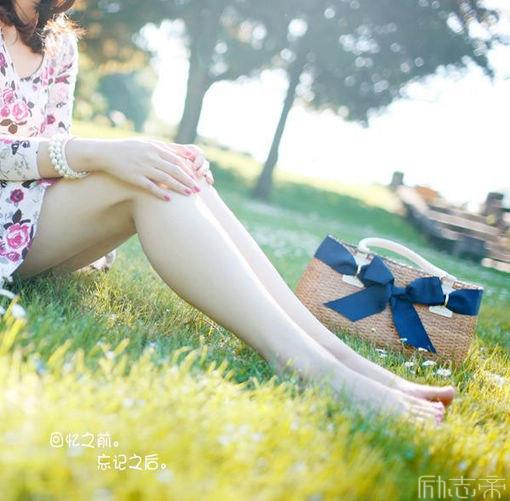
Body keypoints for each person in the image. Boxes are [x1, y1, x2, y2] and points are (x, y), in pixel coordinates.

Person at [0, 0, 453, 424]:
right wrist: (103, 153)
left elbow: (53, 144)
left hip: (31, 212)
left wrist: (151, 154)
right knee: (153, 181)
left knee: (173, 172)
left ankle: (340, 358)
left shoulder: (58, 41)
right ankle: (305, 365)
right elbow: (56, 151)